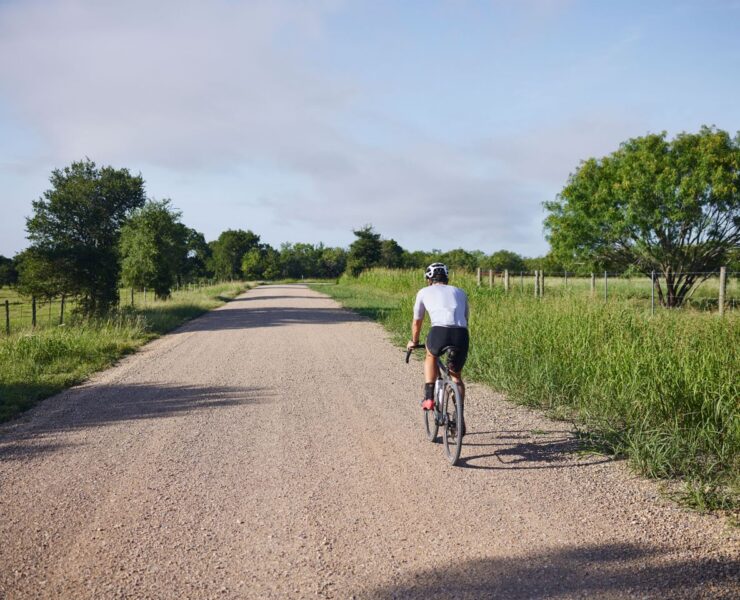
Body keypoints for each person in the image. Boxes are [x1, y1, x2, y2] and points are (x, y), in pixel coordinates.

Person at [406, 262, 470, 429]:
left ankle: (429, 397)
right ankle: (459, 416)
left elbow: (417, 321)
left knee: (431, 355)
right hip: (461, 334)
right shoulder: (460, 292)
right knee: (456, 377)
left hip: (439, 332)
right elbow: (465, 319)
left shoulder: (423, 292)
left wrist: (414, 341)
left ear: (429, 279)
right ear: (447, 278)